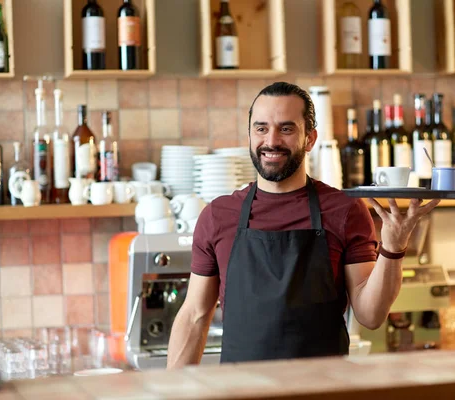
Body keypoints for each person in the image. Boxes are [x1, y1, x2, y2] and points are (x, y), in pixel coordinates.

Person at [166, 82, 440, 368]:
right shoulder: (218, 215)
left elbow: (371, 315)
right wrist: (173, 390)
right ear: (249, 135)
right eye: (261, 128)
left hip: (321, 391)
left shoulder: (344, 211)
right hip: (241, 391)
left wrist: (394, 249)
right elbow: (194, 315)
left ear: (310, 139)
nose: (271, 140)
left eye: (286, 129)